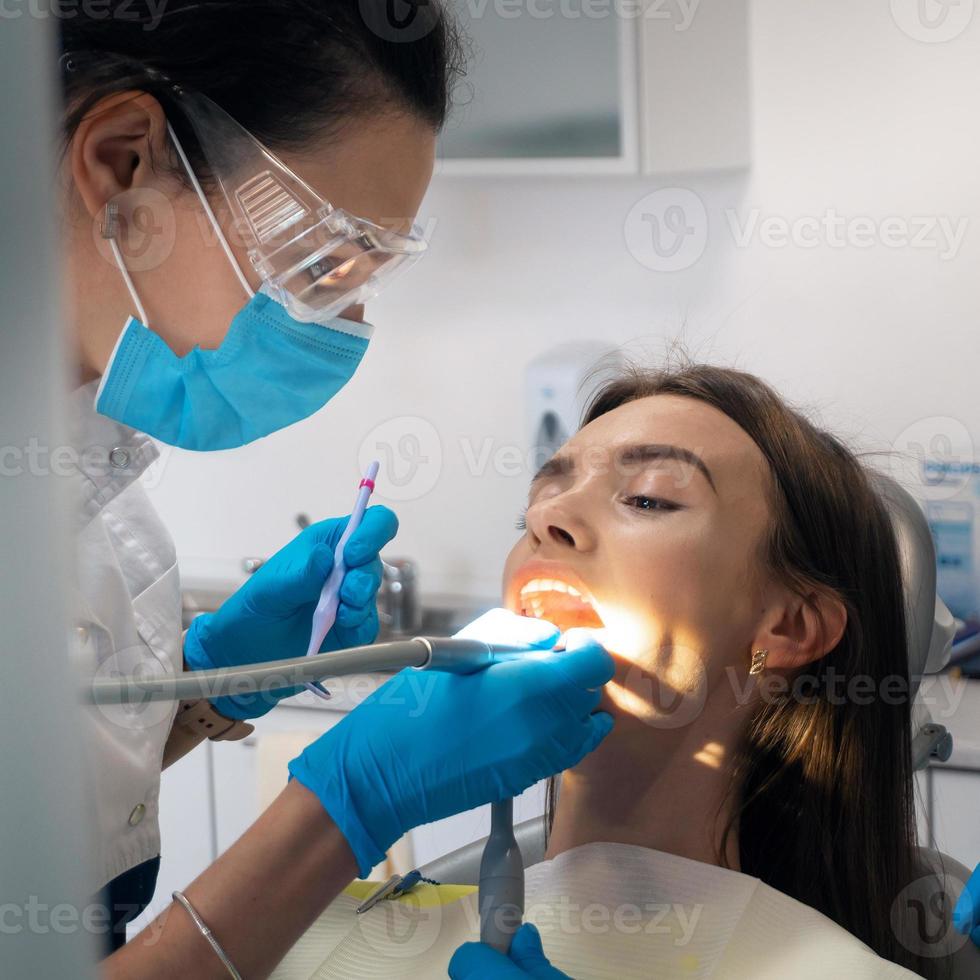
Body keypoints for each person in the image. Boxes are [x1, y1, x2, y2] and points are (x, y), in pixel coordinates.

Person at [57, 3, 612, 975]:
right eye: (319, 261)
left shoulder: (84, 462)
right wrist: (346, 802)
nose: (345, 323)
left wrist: (209, 684)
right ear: (121, 164)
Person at [264, 363, 939, 979]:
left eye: (647, 499)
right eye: (539, 497)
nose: (545, 517)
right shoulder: (303, 933)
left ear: (789, 628)